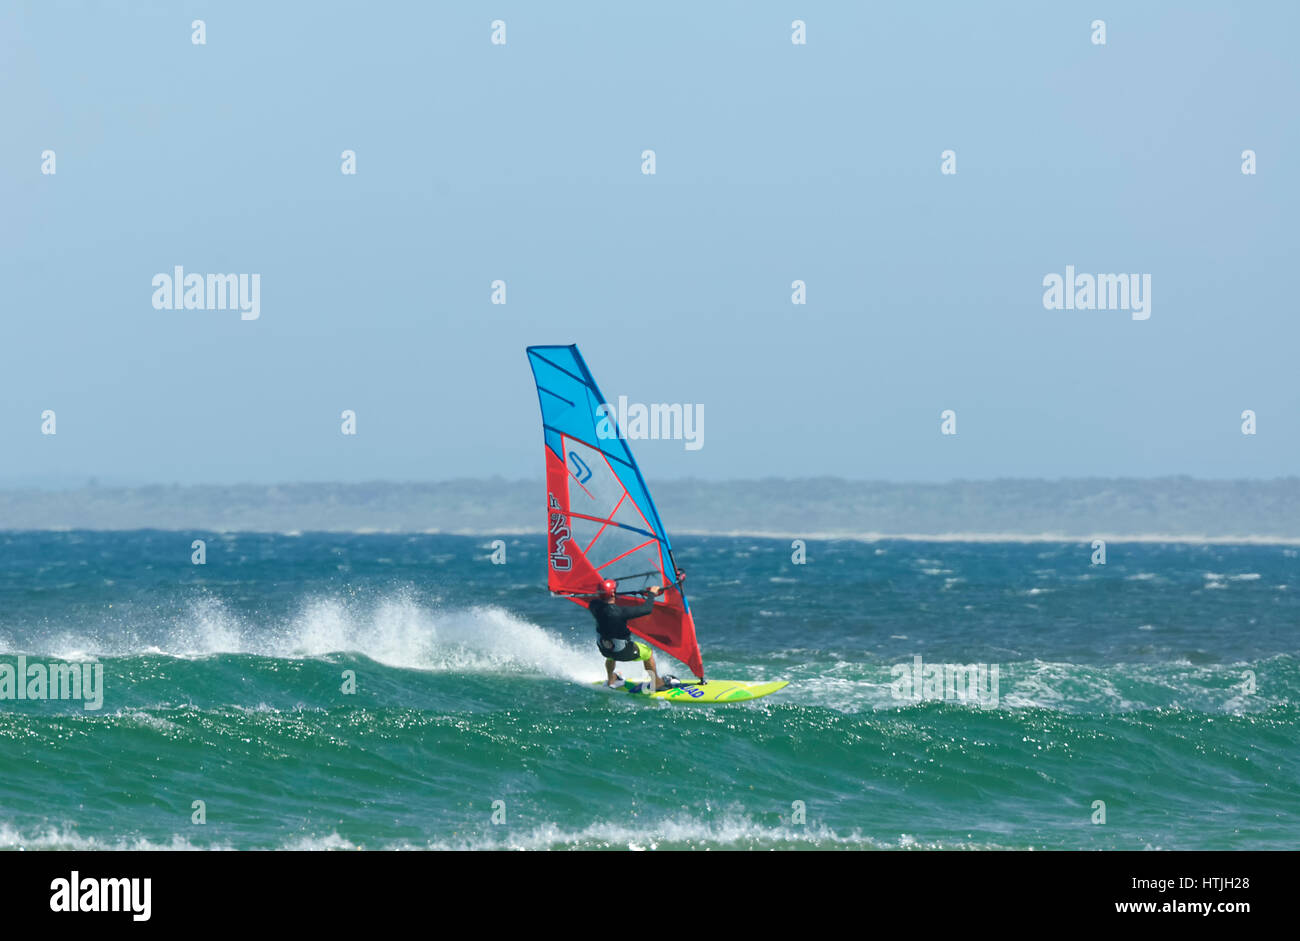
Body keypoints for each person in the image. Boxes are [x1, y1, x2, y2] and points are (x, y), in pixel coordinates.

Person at [586, 578, 675, 692]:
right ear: (613, 593)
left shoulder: (594, 606)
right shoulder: (620, 612)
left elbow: (600, 600)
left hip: (604, 649)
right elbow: (647, 609)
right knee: (648, 653)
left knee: (611, 653)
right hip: (623, 651)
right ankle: (656, 683)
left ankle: (611, 680)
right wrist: (652, 594)